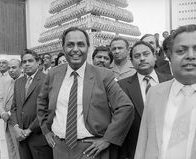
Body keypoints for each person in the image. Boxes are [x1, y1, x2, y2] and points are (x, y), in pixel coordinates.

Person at [37, 27, 134, 159]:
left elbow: (125, 107)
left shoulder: (103, 75)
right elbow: (41, 102)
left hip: (91, 150)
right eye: (70, 44)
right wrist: (46, 132)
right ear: (63, 48)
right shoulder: (53, 74)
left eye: (81, 44)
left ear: (88, 47)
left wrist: (108, 139)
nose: (75, 49)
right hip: (59, 148)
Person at [134, 24, 196, 159]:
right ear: (169, 56)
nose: (190, 56)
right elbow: (143, 143)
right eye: (181, 51)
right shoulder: (155, 93)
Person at [118, 41, 173, 159]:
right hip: (136, 150)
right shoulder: (121, 86)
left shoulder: (172, 81)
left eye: (146, 54)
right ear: (132, 62)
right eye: (137, 56)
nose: (142, 58)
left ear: (154, 56)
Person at [10, 49, 53, 159]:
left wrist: (29, 130)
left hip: (39, 137)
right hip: (22, 138)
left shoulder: (46, 80)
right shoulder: (18, 82)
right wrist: (15, 127)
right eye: (24, 62)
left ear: (38, 62)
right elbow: (14, 107)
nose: (27, 64)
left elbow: (47, 110)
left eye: (30, 61)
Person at [0, 59, 22, 159]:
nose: (11, 70)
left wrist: (8, 113)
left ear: (21, 68)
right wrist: (2, 113)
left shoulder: (24, 81)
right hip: (6, 122)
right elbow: (1, 100)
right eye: (9, 68)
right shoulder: (8, 82)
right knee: (11, 150)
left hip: (17, 122)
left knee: (19, 151)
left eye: (14, 67)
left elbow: (20, 103)